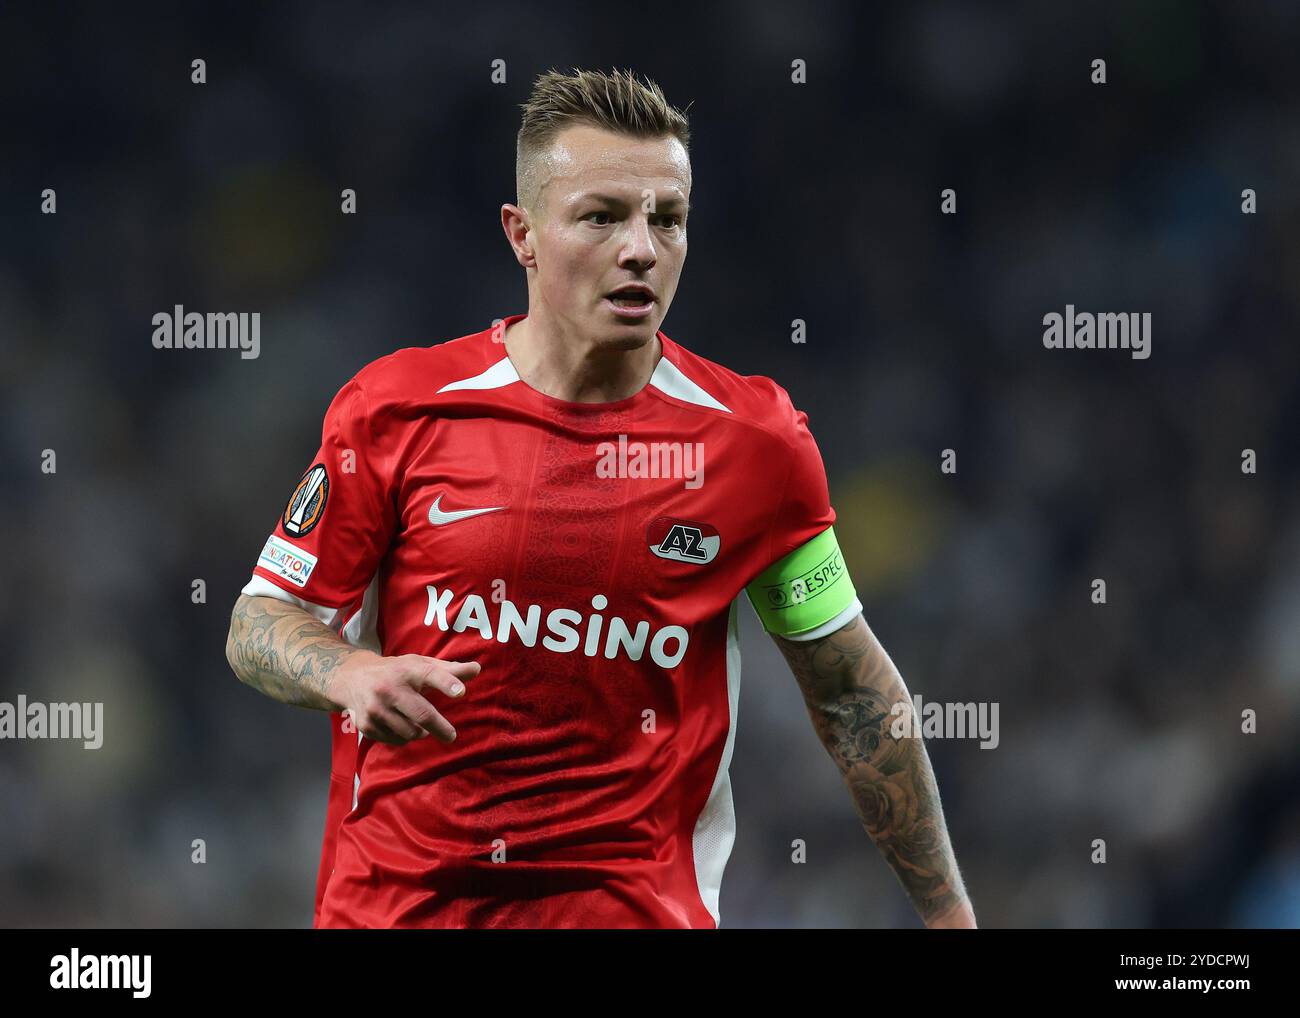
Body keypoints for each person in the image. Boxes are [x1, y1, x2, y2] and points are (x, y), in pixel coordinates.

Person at [225, 66, 976, 930]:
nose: (641, 249)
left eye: (668, 219)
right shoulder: (396, 408)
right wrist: (348, 670)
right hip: (394, 913)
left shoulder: (756, 448)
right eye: (603, 216)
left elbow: (851, 695)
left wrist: (952, 921)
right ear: (524, 234)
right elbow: (259, 624)